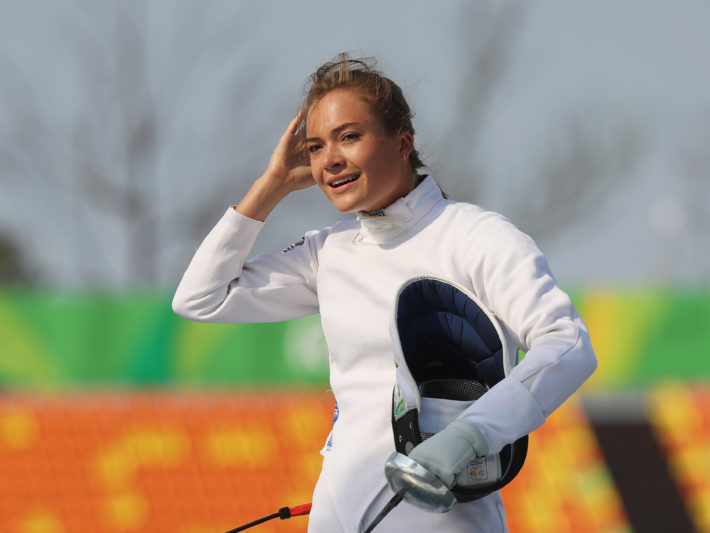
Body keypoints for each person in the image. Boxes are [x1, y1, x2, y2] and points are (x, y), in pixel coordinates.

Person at [173, 53, 597, 532]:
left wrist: (469, 437)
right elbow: (201, 297)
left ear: (403, 143)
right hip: (337, 510)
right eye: (315, 147)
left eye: (349, 136)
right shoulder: (328, 252)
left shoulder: (476, 236)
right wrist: (272, 184)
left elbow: (568, 344)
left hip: (442, 511)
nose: (330, 159)